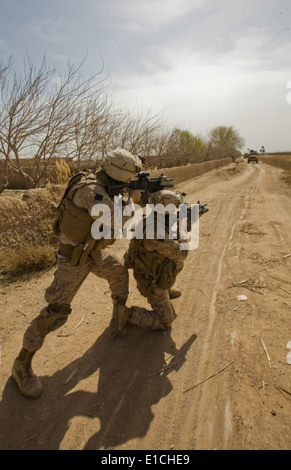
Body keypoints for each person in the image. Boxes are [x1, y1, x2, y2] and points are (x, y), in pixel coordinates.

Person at [12, 149, 143, 399]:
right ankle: (21, 364)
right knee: (55, 313)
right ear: (118, 174)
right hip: (74, 260)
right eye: (129, 179)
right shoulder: (90, 190)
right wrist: (134, 200)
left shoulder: (105, 185)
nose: (130, 183)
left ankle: (120, 314)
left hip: (91, 252)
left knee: (117, 272)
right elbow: (116, 219)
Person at [113, 189, 193, 337]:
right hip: (151, 281)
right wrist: (183, 231)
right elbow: (182, 254)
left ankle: (166, 291)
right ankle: (126, 314)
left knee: (177, 265)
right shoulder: (156, 232)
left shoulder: (150, 218)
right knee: (165, 321)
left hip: (147, 268)